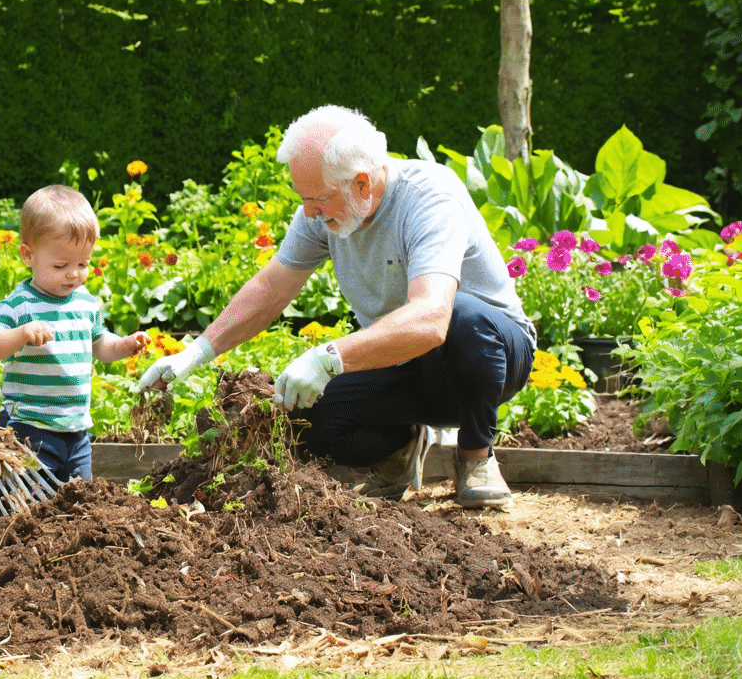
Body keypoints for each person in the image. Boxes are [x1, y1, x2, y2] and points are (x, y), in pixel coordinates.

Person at [138, 105, 535, 507]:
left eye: (319, 199)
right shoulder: (322, 211)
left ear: (363, 184)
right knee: (308, 416)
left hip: (489, 359)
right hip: (404, 363)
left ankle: (476, 457)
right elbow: (273, 286)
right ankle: (399, 447)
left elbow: (432, 319)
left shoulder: (429, 198)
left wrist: (329, 356)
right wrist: (197, 351)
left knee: (462, 318)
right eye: (304, 198)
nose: (309, 211)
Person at [0, 185, 150, 485]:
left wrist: (124, 345)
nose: (74, 274)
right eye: (61, 266)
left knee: (80, 503)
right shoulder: (20, 304)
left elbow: (100, 345)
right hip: (29, 431)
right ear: (27, 255)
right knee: (28, 502)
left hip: (77, 433)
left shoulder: (85, 303)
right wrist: (22, 333)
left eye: (83, 264)